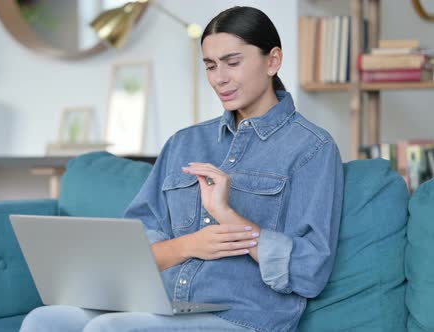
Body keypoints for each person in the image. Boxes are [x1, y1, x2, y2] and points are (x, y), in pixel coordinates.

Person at [20, 5, 344, 332]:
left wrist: (228, 216)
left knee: (111, 329)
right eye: (210, 66)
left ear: (273, 60)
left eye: (233, 63)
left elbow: (309, 271)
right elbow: (136, 243)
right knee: (45, 320)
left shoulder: (312, 148)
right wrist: (187, 246)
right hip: (163, 306)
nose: (220, 78)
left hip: (243, 319)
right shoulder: (184, 144)